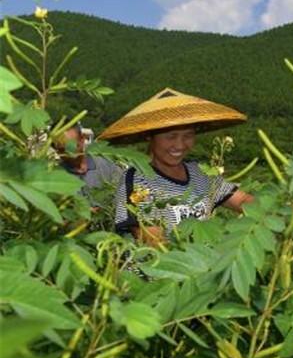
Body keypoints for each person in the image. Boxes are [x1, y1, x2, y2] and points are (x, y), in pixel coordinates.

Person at [99, 87, 252, 246]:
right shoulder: (137, 180)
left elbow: (242, 200)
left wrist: (272, 211)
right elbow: (152, 240)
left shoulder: (201, 173)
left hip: (203, 264)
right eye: (171, 136)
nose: (179, 145)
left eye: (188, 136)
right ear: (149, 137)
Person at [54, 122, 123, 203]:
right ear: (57, 150)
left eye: (74, 147)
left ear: (82, 139)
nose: (70, 154)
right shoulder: (56, 178)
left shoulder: (108, 166)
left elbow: (123, 197)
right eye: (63, 149)